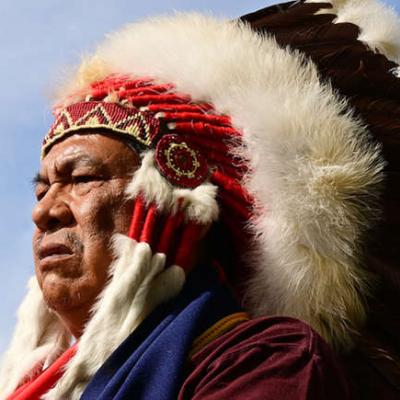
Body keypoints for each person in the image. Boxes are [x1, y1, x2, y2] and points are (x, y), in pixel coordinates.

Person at [0, 0, 398, 398]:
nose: (44, 211)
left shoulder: (263, 363)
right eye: (42, 189)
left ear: (176, 207)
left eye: (82, 178)